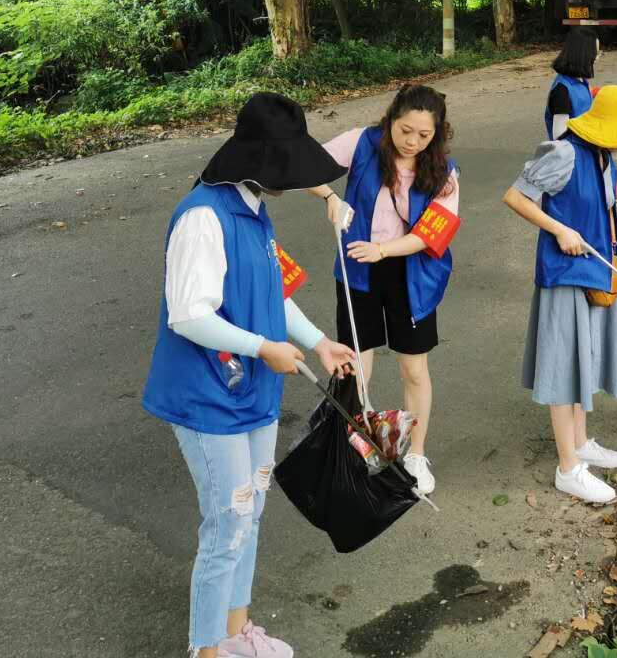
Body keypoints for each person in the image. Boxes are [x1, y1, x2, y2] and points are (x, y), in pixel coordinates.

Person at [142, 92, 358, 658]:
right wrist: (263, 347)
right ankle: (206, 650)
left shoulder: (255, 210)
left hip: (254, 393)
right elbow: (188, 315)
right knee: (227, 523)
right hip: (206, 398)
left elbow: (272, 294)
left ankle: (236, 634)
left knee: (251, 511)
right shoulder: (202, 217)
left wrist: (318, 342)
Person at [503, 85, 617, 505]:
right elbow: (515, 197)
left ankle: (580, 443)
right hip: (565, 276)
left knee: (585, 360)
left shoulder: (605, 158)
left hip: (598, 274)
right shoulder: (564, 153)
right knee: (563, 367)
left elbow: (613, 222)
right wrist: (559, 229)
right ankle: (568, 469)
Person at [315, 84, 460, 497]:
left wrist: (383, 250)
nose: (412, 141)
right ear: (391, 119)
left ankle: (416, 454)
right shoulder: (362, 142)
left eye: (424, 135)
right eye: (405, 130)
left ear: (437, 133)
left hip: (412, 274)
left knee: (414, 368)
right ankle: (359, 448)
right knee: (356, 366)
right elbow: (308, 168)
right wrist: (329, 196)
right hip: (358, 268)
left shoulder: (445, 171)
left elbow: (431, 234)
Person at [546, 26, 600, 139]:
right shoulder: (562, 90)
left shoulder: (581, 80)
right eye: (596, 52)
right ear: (583, 54)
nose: (597, 58)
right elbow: (559, 136)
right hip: (574, 148)